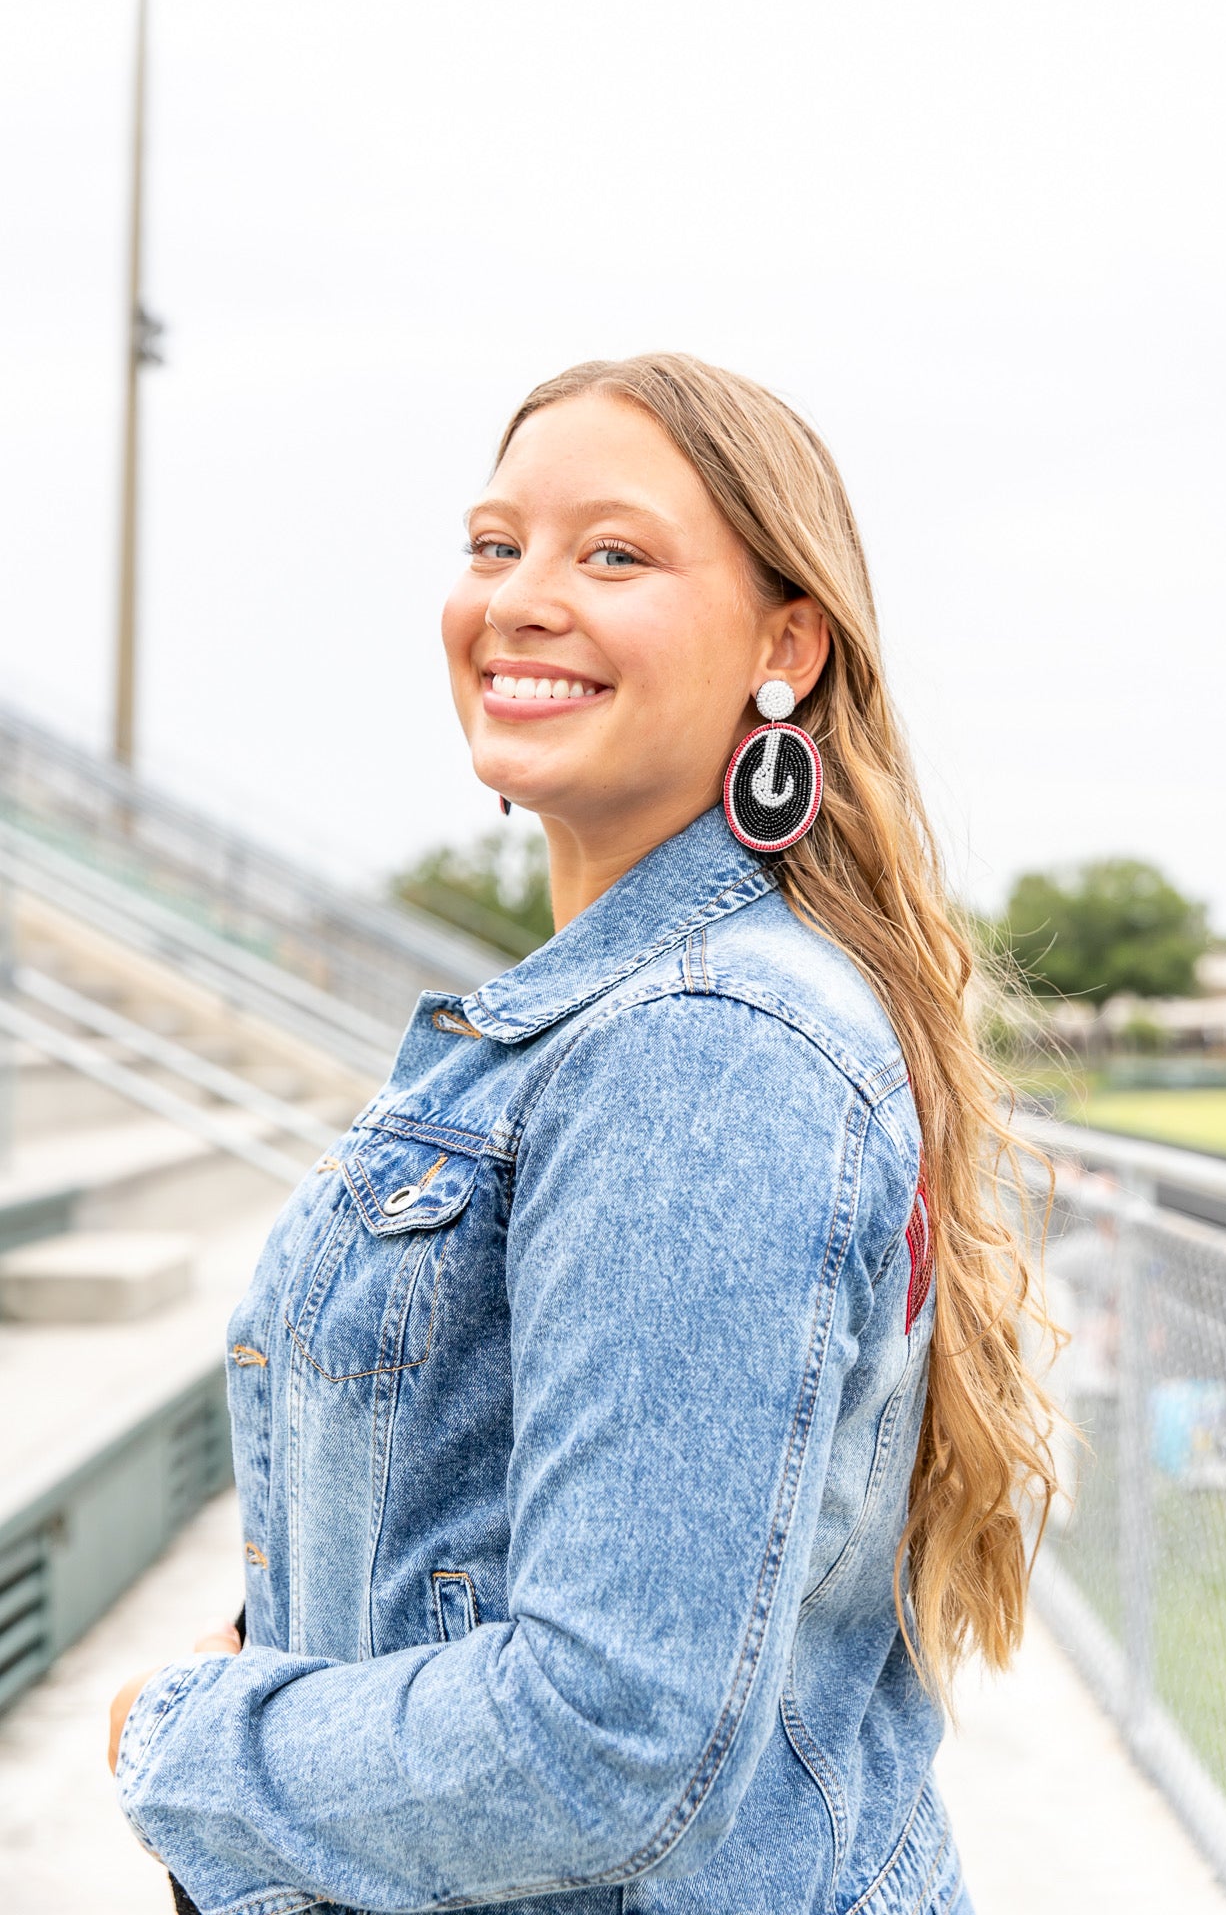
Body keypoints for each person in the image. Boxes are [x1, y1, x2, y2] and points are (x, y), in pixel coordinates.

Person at [109, 354, 1054, 1915]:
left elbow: (604, 1741)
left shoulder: (702, 1048)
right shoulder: (617, 1019)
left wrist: (185, 1741)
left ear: (785, 643)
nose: (525, 597)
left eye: (612, 554)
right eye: (497, 546)